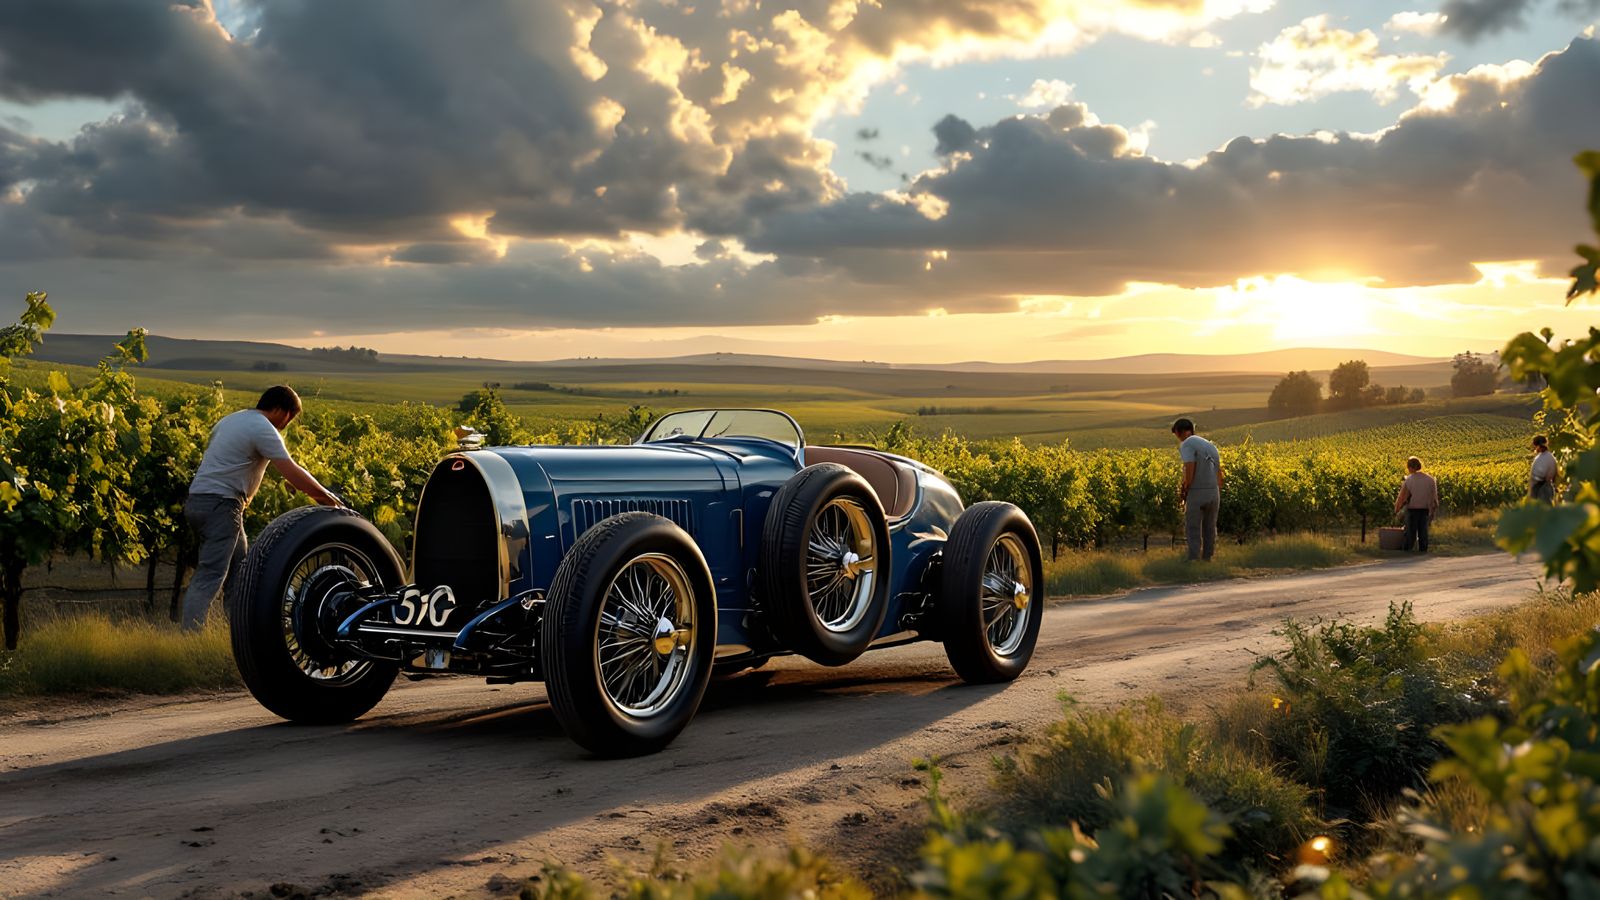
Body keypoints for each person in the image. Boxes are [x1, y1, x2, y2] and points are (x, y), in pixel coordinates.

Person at [179, 385, 341, 630]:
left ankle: (236, 632)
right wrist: (327, 499)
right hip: (222, 505)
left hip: (200, 501)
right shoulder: (262, 427)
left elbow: (238, 461)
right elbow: (291, 470)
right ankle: (190, 636)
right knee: (211, 573)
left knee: (240, 571)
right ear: (281, 410)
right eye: (290, 417)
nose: (287, 424)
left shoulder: (232, 420)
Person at [1172, 418, 1223, 562]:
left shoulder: (1187, 444)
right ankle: (1208, 558)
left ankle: (1193, 559)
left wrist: (1184, 489)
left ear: (1179, 432)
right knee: (1210, 528)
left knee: (1193, 528)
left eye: (1176, 435)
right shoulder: (1210, 445)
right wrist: (1216, 490)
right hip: (1213, 492)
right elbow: (1220, 473)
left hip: (1197, 491)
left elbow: (1190, 467)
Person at [1393, 456, 1438, 553]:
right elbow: (1434, 498)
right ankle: (1423, 551)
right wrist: (1432, 511)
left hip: (1412, 510)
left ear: (1409, 467)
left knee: (1410, 532)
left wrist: (1397, 509)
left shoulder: (1409, 479)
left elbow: (1402, 497)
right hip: (1425, 510)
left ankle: (1408, 551)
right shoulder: (1430, 479)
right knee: (1423, 532)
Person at [1530, 435, 1558, 503]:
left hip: (1542, 490)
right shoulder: (1551, 457)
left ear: (1537, 446)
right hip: (1549, 488)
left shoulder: (1540, 458)